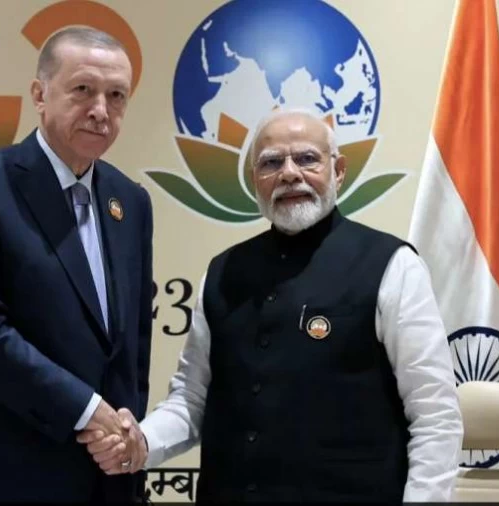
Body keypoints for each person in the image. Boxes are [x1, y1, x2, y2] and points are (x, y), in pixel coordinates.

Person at [79, 108, 464, 502]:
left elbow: (435, 415)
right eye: (271, 163)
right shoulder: (222, 272)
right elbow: (191, 401)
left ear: (339, 171)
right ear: (254, 182)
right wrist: (141, 440)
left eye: (307, 159)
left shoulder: (392, 265)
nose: (290, 173)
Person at [0, 26, 153, 503]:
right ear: (40, 95)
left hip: (100, 476)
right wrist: (87, 410)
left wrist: (125, 435)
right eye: (83, 89)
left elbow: (131, 345)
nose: (101, 110)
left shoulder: (131, 201)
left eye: (116, 96)